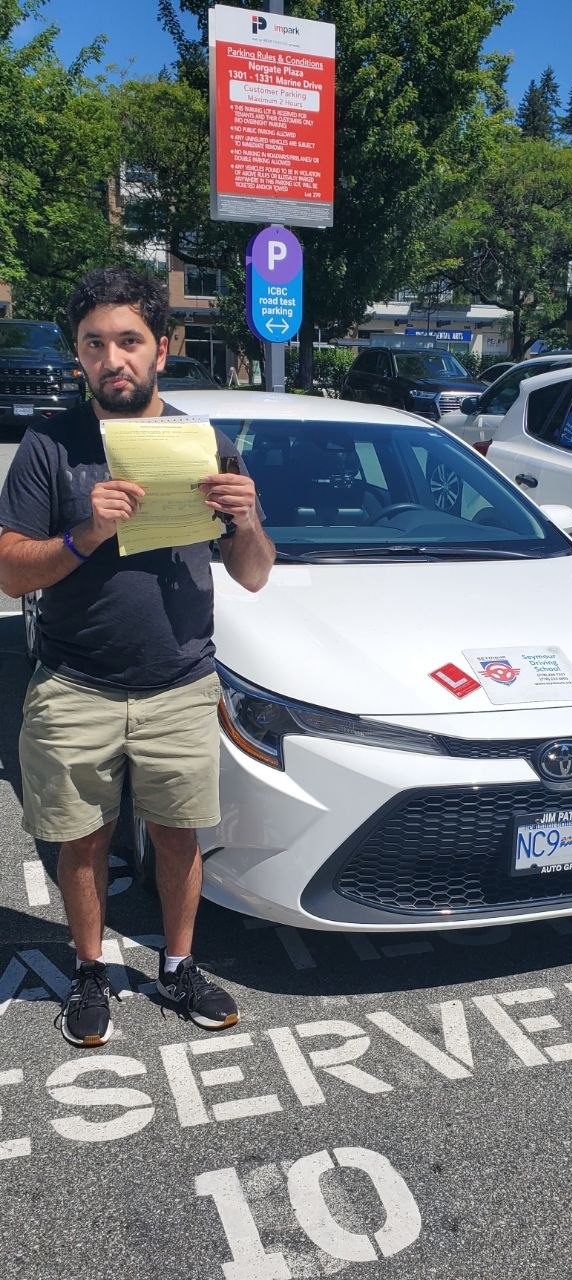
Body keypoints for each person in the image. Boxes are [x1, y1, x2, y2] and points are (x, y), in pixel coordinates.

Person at [0, 268, 275, 1047]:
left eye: (128, 340)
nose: (112, 358)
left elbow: (254, 573)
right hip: (75, 683)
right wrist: (84, 534)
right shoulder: (50, 446)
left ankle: (178, 967)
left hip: (179, 681)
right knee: (82, 840)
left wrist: (247, 520)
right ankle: (89, 971)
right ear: (78, 355)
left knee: (178, 836)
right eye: (95, 344)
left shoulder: (204, 443)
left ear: (162, 346)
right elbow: (11, 572)